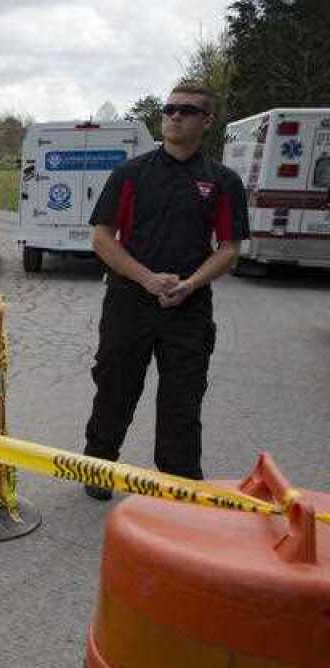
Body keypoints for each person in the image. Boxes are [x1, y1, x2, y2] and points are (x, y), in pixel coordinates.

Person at [81, 80, 249, 500]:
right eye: (169, 108)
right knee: (115, 387)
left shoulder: (223, 182)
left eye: (186, 110)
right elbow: (102, 238)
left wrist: (190, 284)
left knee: (183, 399)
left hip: (188, 308)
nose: (174, 116)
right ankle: (99, 467)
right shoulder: (131, 174)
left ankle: (178, 483)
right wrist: (146, 278)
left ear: (206, 121)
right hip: (129, 302)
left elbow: (229, 249)